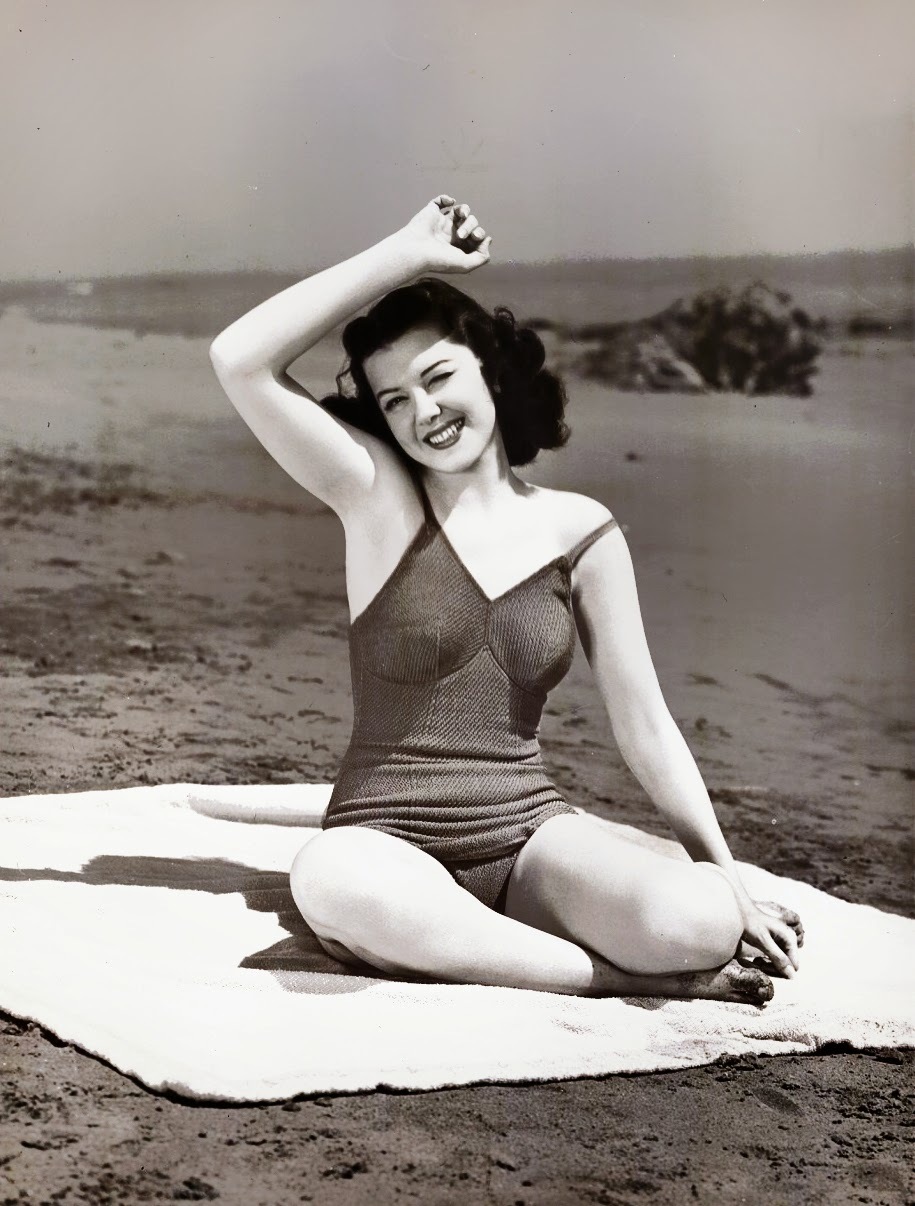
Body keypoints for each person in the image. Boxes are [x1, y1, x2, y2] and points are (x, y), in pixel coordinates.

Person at [209, 195, 802, 1003]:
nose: (423, 412)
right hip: (384, 841)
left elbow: (644, 724)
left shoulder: (581, 530)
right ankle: (604, 979)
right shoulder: (378, 498)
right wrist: (406, 255)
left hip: (527, 839)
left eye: (437, 377)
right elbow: (239, 358)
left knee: (696, 919)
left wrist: (727, 880)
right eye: (393, 401)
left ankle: (497, 948)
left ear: (490, 369)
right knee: (334, 880)